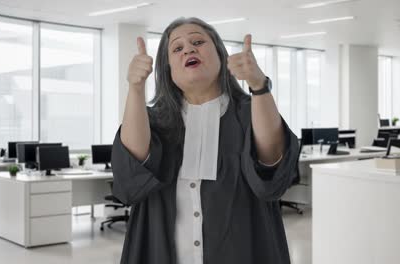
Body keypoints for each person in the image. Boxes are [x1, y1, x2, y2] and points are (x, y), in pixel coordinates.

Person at [112, 17, 299, 264]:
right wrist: (135, 88)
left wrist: (259, 86)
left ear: (221, 55)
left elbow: (272, 166)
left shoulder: (249, 112)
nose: (188, 48)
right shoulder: (155, 120)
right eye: (177, 48)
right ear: (168, 68)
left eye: (198, 41)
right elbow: (131, 178)